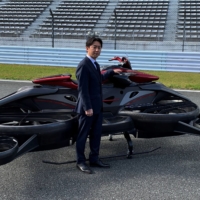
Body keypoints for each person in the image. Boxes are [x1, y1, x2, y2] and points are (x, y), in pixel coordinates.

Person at [75, 36, 121, 174]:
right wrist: (87, 107)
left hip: (97, 107)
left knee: (96, 135)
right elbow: (82, 89)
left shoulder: (94, 64)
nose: (97, 49)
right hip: (87, 109)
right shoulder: (83, 65)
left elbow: (99, 78)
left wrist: (111, 71)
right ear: (87, 48)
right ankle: (81, 162)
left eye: (99, 47)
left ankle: (94, 159)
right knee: (82, 136)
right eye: (94, 47)